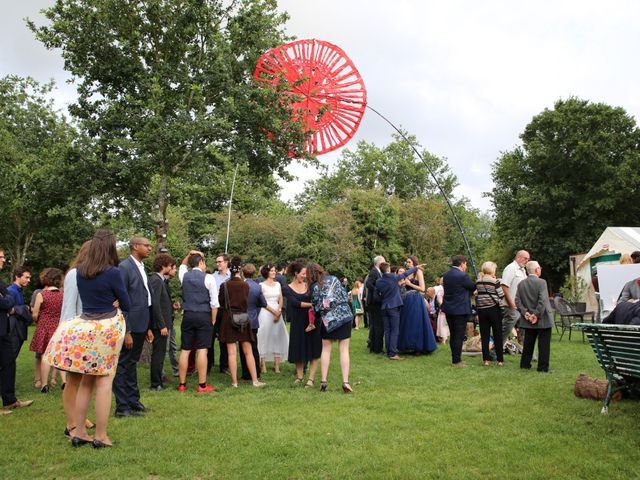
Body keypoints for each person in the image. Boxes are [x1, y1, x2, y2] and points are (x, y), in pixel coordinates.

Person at [44, 229, 130, 447]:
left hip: (85, 326)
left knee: (85, 382)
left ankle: (79, 432)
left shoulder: (80, 272)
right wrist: (118, 301)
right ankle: (101, 436)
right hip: (106, 328)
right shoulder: (113, 272)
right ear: (111, 246)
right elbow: (127, 303)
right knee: (104, 382)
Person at [113, 237, 154, 417]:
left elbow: (145, 297)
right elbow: (121, 300)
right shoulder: (124, 267)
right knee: (123, 365)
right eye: (146, 245)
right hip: (130, 325)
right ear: (135, 246)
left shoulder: (141, 267)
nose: (150, 248)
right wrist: (127, 330)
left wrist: (149, 327)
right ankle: (122, 407)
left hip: (142, 323)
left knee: (131, 364)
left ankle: (133, 401)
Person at [59, 240, 94, 433]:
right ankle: (71, 423)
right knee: (73, 380)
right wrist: (67, 335)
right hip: (75, 333)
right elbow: (69, 307)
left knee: (87, 381)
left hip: (91, 334)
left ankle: (81, 416)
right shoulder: (74, 274)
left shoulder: (92, 275)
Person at [218, 256, 265, 388]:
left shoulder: (224, 285)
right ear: (241, 270)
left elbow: (221, 302)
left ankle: (234, 382)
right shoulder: (245, 285)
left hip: (229, 318)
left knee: (231, 352)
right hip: (243, 318)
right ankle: (255, 380)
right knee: (248, 350)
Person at [307, 263, 353, 393]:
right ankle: (345, 382)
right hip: (344, 316)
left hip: (328, 320)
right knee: (344, 350)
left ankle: (323, 380)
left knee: (326, 349)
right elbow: (344, 295)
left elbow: (315, 308)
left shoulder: (315, 287)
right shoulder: (333, 278)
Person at [177, 251, 219, 393]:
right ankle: (202, 385)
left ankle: (182, 384)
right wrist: (213, 319)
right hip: (204, 315)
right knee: (202, 349)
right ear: (200, 262)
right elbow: (214, 303)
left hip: (188, 315)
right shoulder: (209, 278)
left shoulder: (184, 276)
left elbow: (182, 265)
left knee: (185, 349)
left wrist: (189, 254)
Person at [0, 248, 33, 414]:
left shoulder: (11, 288)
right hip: (8, 329)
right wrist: (21, 308)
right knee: (5, 363)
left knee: (9, 363)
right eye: (1, 257)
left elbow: (9, 303)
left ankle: (10, 400)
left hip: (10, 330)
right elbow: (8, 306)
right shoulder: (11, 289)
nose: (3, 260)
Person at [375, 262, 422, 360]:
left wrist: (383, 300)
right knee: (394, 331)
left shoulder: (379, 281)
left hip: (384, 307)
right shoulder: (393, 277)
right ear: (388, 269)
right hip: (393, 307)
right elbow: (405, 274)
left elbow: (376, 296)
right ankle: (392, 353)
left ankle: (388, 351)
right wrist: (416, 267)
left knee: (387, 330)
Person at [284, 260, 321, 386]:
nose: (305, 276)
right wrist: (313, 304)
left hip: (312, 321)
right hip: (297, 322)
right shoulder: (287, 288)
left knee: (313, 349)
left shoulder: (311, 286)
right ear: (296, 273)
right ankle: (300, 377)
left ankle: (310, 379)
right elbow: (295, 303)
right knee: (297, 349)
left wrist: (315, 306)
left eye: (307, 273)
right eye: (303, 273)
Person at [515, 261, 554, 373]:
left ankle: (525, 364)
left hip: (528, 318)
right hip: (542, 318)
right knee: (544, 344)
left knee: (528, 342)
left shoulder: (521, 283)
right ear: (537, 270)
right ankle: (542, 367)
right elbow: (542, 301)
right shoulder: (542, 282)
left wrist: (525, 313)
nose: (540, 269)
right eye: (540, 268)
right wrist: (535, 315)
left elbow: (517, 300)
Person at [30, 268, 64, 393]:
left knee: (44, 355)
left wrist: (38, 318)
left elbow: (34, 314)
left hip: (44, 327)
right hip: (58, 328)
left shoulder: (41, 294)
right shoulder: (63, 294)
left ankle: (44, 384)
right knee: (58, 354)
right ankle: (62, 381)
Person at [397, 256, 437, 355]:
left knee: (416, 322)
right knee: (407, 323)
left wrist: (410, 284)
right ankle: (408, 345)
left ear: (414, 263)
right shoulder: (407, 273)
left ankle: (418, 347)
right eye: (407, 262)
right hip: (406, 300)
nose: (408, 264)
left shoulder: (418, 272)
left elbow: (422, 288)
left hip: (415, 299)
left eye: (409, 262)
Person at [441, 255, 476, 368]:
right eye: (466, 264)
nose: (466, 267)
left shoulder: (446, 275)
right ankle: (457, 361)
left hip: (448, 308)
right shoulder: (463, 275)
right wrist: (479, 279)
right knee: (459, 336)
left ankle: (455, 358)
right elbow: (472, 287)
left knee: (453, 334)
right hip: (460, 310)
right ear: (462, 264)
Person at [149, 253, 176, 391]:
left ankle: (159, 381)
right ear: (163, 266)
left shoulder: (161, 281)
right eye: (170, 265)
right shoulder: (156, 280)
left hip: (164, 323)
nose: (171, 268)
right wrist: (162, 325)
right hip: (160, 325)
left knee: (160, 354)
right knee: (158, 355)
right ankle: (156, 384)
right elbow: (155, 304)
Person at [257, 263, 289, 374]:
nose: (274, 272)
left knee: (277, 336)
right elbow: (262, 301)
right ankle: (263, 364)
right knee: (264, 336)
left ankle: (276, 364)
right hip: (266, 311)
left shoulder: (278, 284)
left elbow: (280, 298)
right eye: (272, 271)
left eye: (275, 270)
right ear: (267, 272)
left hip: (277, 312)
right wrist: (273, 311)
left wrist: (278, 311)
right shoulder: (261, 285)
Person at [6, 267, 34, 382]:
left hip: (19, 329)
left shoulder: (18, 290)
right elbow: (8, 310)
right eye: (26, 277)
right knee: (8, 360)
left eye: (29, 278)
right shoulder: (11, 291)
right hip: (13, 330)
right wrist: (24, 308)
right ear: (17, 277)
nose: (29, 280)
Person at [475, 261, 505, 366]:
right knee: (497, 334)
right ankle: (500, 360)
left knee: (484, 335)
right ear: (492, 270)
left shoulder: (478, 282)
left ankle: (486, 360)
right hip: (494, 309)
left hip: (482, 310)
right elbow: (501, 295)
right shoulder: (495, 281)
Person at [240, 263, 266, 380]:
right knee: (254, 347)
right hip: (254, 318)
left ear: (243, 273)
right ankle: (256, 372)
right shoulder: (257, 286)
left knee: (243, 348)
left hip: (242, 318)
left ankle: (246, 373)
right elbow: (263, 303)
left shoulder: (241, 285)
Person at [500, 250, 530, 347]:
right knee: (507, 329)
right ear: (519, 257)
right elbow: (504, 286)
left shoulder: (523, 270)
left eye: (528, 259)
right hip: (511, 306)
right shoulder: (511, 268)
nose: (527, 261)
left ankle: (528, 353)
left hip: (521, 306)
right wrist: (511, 304)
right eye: (525, 258)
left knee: (525, 329)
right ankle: (495, 349)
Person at [210, 253, 231, 373]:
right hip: (214, 309)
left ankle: (224, 366)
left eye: (220, 262)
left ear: (226, 262)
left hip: (227, 310)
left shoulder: (232, 277)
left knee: (225, 338)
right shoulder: (212, 277)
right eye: (217, 262)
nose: (217, 264)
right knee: (211, 336)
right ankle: (209, 362)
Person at [365, 255, 386, 354]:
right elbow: (368, 284)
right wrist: (378, 291)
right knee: (378, 325)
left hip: (373, 302)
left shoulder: (376, 271)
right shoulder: (374, 271)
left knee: (374, 325)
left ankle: (373, 347)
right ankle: (378, 348)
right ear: (379, 262)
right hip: (375, 303)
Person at [434, 277, 449, 343]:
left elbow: (439, 299)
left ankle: (444, 338)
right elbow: (439, 299)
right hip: (445, 308)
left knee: (443, 324)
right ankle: (444, 339)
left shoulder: (443, 289)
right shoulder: (442, 289)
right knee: (444, 324)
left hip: (445, 308)